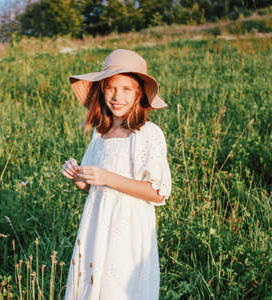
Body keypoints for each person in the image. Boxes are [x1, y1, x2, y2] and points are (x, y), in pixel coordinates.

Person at [61, 49, 172, 300]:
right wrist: (78, 175)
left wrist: (107, 177)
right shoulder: (100, 133)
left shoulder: (147, 133)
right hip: (96, 226)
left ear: (139, 94)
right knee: (92, 286)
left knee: (120, 289)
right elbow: (92, 185)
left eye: (126, 89)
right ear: (102, 90)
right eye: (110, 88)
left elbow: (157, 192)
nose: (117, 96)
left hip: (129, 230)